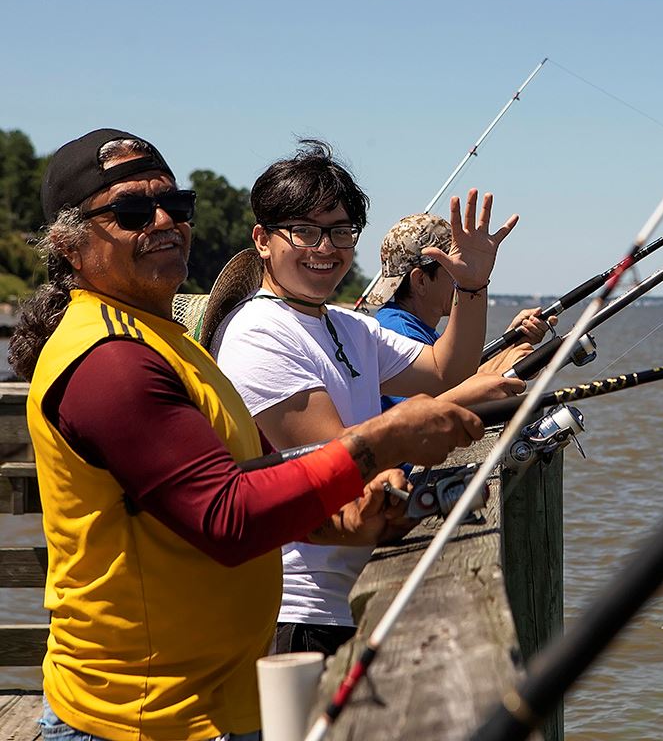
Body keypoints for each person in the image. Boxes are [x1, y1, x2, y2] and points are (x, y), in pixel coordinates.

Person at [9, 128, 482, 741]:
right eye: (129, 210)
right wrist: (381, 441)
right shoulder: (109, 360)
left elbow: (240, 479)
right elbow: (227, 518)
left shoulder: (165, 342)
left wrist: (336, 522)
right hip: (140, 719)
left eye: (175, 205)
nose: (162, 221)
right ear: (70, 244)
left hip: (214, 700)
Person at [212, 140, 525, 656]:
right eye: (305, 231)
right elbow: (339, 462)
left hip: (354, 585)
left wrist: (471, 286)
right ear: (263, 240)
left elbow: (447, 369)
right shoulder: (258, 331)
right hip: (297, 609)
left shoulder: (347, 326)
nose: (325, 247)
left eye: (340, 232)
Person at [366, 212, 558, 411]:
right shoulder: (400, 334)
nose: (463, 277)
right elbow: (422, 414)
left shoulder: (409, 324)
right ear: (421, 281)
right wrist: (501, 370)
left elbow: (454, 381)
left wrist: (510, 342)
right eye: (456, 269)